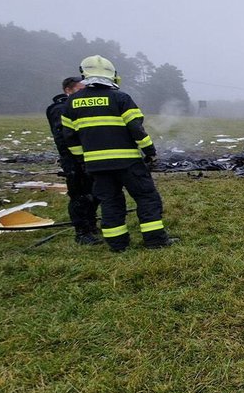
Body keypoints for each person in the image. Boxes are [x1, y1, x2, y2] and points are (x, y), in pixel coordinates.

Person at [61, 55, 172, 252]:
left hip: (97, 166)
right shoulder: (121, 98)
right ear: (112, 76)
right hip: (128, 162)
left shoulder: (72, 103)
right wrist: (149, 151)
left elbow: (69, 138)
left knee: (110, 202)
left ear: (84, 75)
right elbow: (136, 129)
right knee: (147, 198)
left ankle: (118, 245)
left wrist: (84, 159)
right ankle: (155, 241)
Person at [46, 76, 102, 245]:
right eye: (79, 90)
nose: (83, 94)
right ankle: (82, 233)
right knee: (79, 195)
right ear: (68, 90)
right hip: (73, 159)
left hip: (89, 157)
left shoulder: (78, 106)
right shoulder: (60, 109)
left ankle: (91, 225)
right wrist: (76, 159)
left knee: (94, 193)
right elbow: (63, 138)